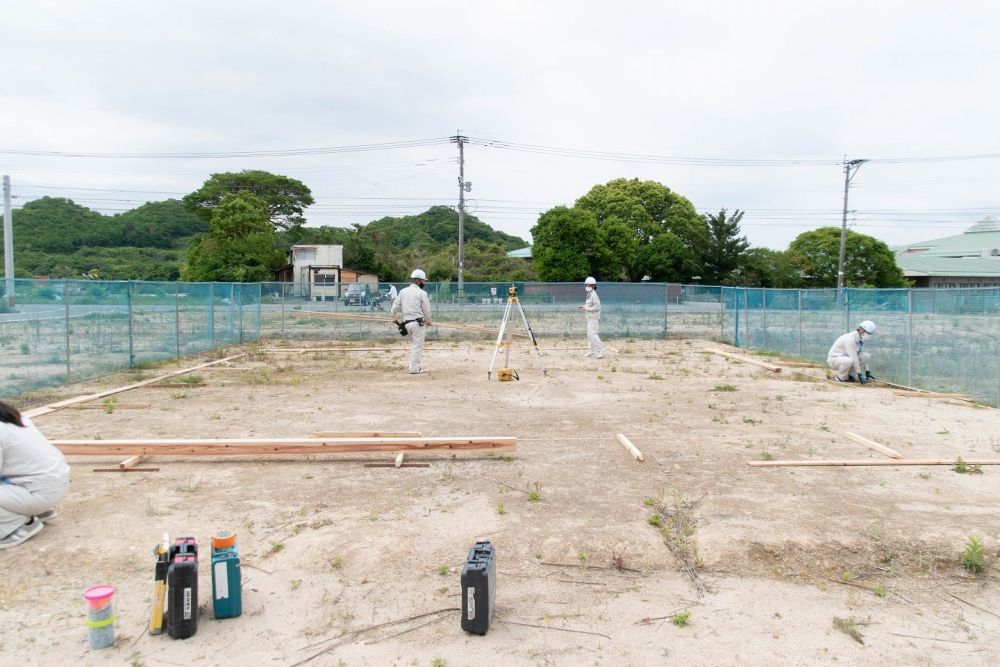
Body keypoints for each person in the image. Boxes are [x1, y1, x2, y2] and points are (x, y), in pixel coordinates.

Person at [0, 401, 69, 550]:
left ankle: (17, 525)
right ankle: (37, 510)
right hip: (52, 483)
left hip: (38, 491)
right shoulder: (10, 415)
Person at [391, 269, 433, 374]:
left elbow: (395, 305)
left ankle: (412, 365)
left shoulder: (403, 291)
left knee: (414, 345)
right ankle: (414, 368)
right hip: (417, 324)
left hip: (406, 324)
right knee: (417, 346)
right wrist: (428, 320)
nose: (424, 283)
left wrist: (394, 315)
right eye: (423, 281)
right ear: (418, 280)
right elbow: (426, 309)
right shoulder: (422, 293)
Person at [578, 276, 608, 359]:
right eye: (586, 285)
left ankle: (603, 351)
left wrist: (586, 308)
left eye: (589, 285)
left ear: (593, 286)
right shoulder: (589, 294)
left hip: (593, 318)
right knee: (589, 335)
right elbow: (589, 305)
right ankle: (592, 351)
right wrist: (583, 306)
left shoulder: (594, 295)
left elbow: (597, 307)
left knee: (593, 335)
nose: (587, 286)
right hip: (589, 318)